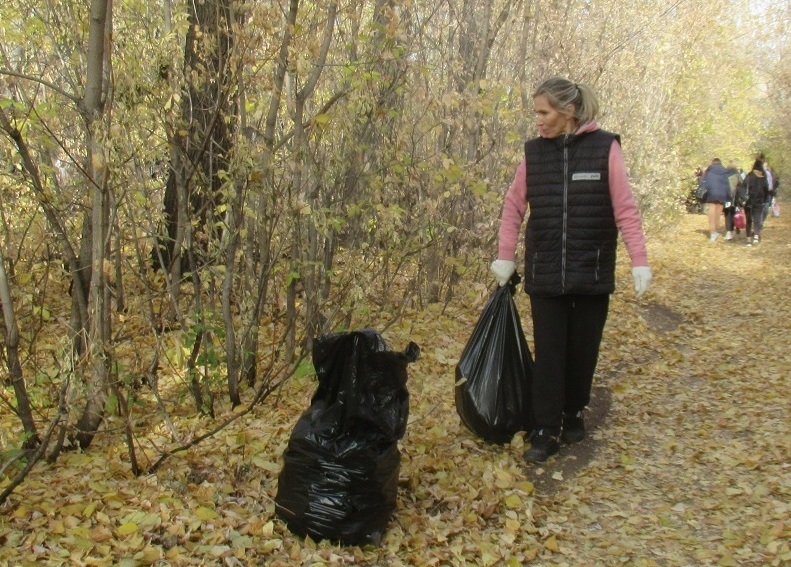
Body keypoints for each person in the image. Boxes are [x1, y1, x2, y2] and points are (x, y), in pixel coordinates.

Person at [489, 77, 651, 464]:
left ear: (569, 112)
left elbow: (625, 209)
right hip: (545, 270)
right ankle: (545, 429)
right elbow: (513, 208)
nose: (538, 121)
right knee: (549, 353)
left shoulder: (605, 148)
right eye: (536, 114)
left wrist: (639, 261)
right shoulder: (533, 154)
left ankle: (573, 410)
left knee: (583, 351)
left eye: (544, 113)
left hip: (591, 271)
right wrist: (505, 255)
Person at [701, 158, 739, 242]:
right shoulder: (724, 171)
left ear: (712, 163)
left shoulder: (709, 171)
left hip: (711, 193)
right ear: (720, 163)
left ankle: (712, 232)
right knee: (718, 212)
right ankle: (716, 229)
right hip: (722, 194)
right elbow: (729, 182)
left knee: (711, 211)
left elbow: (702, 181)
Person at [744, 159, 769, 246]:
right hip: (759, 201)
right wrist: (765, 199)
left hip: (748, 201)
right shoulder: (763, 176)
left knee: (748, 220)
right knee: (757, 219)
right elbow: (766, 189)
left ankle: (748, 240)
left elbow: (744, 187)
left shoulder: (749, 175)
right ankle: (756, 237)